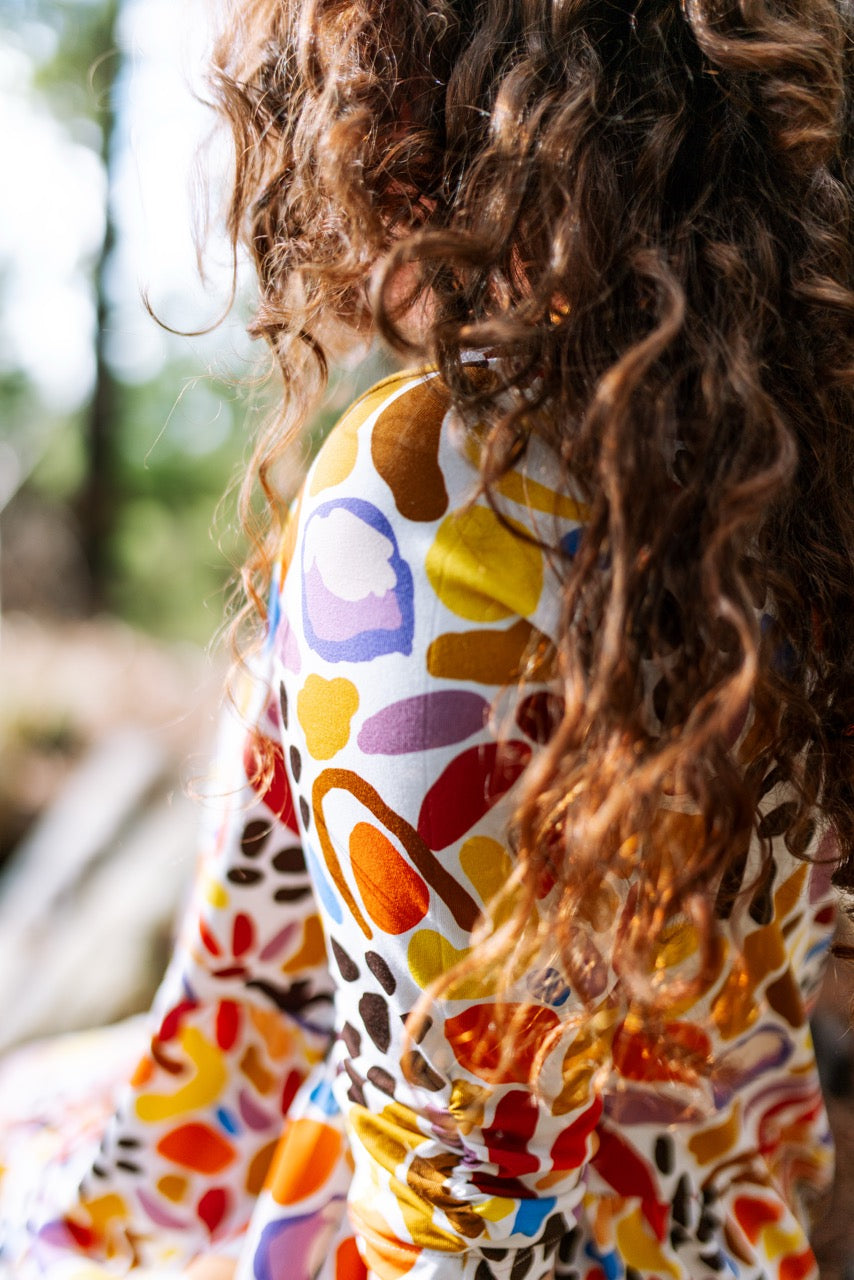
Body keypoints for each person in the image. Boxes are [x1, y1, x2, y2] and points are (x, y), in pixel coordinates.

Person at [2, 0, 853, 1277]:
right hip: (739, 1230)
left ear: (401, 117)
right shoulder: (798, 461)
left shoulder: (431, 493)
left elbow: (450, 1213)